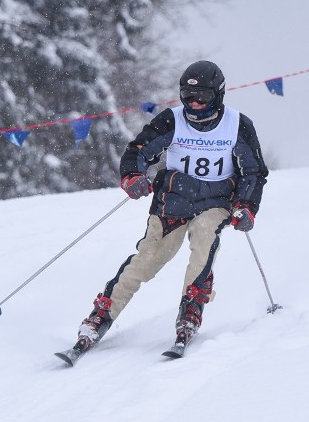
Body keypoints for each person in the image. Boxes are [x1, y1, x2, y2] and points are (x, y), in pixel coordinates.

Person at [70, 60, 268, 356]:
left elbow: (253, 172)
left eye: (203, 97)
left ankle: (191, 309)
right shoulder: (172, 120)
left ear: (219, 95)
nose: (196, 104)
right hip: (173, 199)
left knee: (204, 238)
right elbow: (138, 150)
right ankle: (102, 314)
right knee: (150, 257)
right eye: (188, 97)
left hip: (215, 201)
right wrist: (133, 176)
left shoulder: (238, 125)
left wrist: (245, 206)